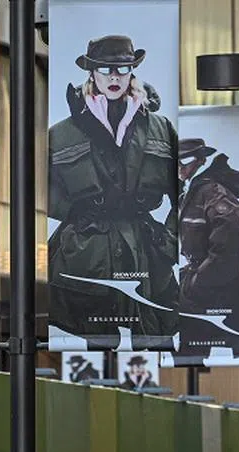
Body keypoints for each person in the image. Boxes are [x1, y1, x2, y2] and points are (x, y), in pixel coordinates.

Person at [48, 35, 178, 349]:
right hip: (83, 257)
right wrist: (77, 220)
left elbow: (185, 193)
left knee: (152, 345)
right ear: (91, 73)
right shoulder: (61, 134)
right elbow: (39, 193)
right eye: (106, 69)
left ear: (132, 70)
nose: (114, 76)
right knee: (88, 349)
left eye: (122, 68)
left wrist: (170, 240)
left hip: (147, 253)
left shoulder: (161, 129)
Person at [177, 138, 239, 359]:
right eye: (176, 161)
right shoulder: (191, 191)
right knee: (191, 359)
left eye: (186, 160)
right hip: (204, 288)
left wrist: (200, 279)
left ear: (201, 161)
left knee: (221, 362)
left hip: (219, 291)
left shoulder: (212, 192)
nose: (180, 166)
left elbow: (237, 231)